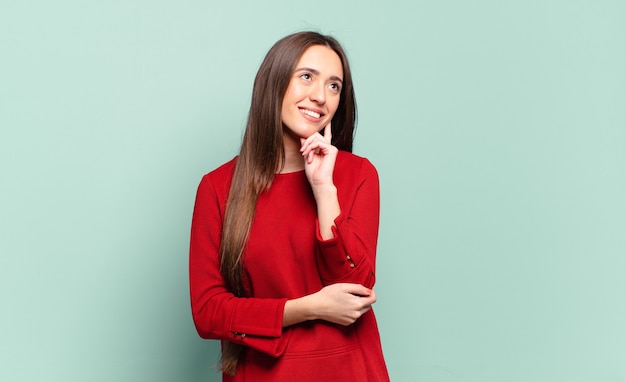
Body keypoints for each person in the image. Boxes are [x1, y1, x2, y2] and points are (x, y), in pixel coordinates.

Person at [189, 31, 390, 381]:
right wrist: (307, 308)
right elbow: (208, 312)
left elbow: (355, 288)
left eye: (334, 86)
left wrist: (324, 189)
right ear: (274, 82)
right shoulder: (218, 187)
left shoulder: (358, 174)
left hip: (349, 371)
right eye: (307, 77)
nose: (319, 96)